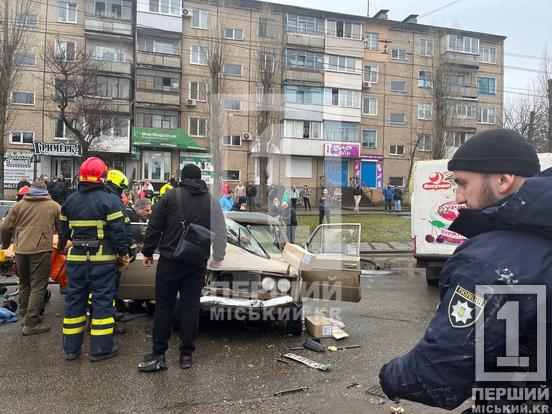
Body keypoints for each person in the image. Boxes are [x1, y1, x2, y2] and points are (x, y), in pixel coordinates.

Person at [379, 129, 551, 412]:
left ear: (503, 180)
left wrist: (390, 376)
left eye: (462, 183)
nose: (458, 198)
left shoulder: (490, 263)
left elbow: (436, 373)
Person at [138, 164, 227, 372]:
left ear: (183, 178)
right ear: (200, 179)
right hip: (196, 264)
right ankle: (186, 355)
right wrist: (218, 257)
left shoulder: (170, 197)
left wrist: (148, 252)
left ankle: (159, 354)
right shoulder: (212, 201)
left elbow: (155, 226)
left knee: (164, 307)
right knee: (190, 308)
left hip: (170, 262)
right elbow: (221, 231)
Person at [58, 157, 129, 362]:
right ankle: (101, 349)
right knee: (102, 303)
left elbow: (63, 232)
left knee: (74, 302)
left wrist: (68, 245)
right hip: (102, 262)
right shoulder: (110, 200)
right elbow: (118, 233)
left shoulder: (70, 201)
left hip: (76, 260)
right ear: (103, 177)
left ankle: (71, 349)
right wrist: (123, 255)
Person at [0, 180, 60, 335]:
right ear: (46, 190)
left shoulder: (18, 206)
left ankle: (25, 315)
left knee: (25, 284)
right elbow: (63, 229)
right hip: (41, 251)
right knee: (38, 286)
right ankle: (30, 323)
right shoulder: (54, 206)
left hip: (20, 251)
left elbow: (4, 227)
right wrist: (61, 248)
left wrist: (6, 244)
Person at [105, 170, 138, 334]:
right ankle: (107, 322)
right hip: (108, 255)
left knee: (96, 291)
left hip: (85, 255)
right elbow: (122, 229)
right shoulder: (114, 201)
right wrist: (127, 251)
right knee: (107, 290)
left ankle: (101, 317)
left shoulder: (96, 197)